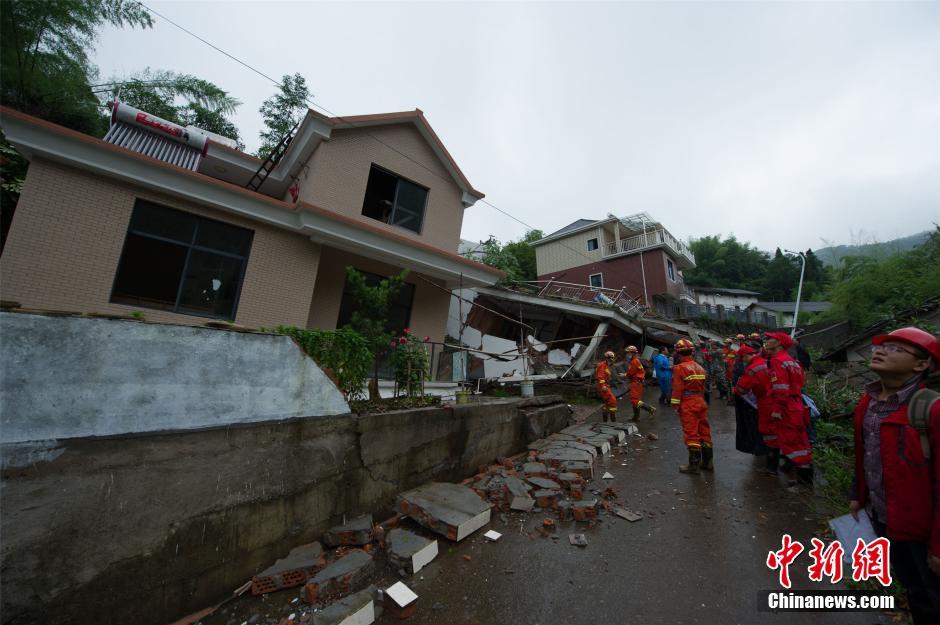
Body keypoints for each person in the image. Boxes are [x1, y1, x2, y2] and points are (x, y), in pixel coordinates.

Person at [849, 327, 940, 625]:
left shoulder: (932, 410)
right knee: (914, 590)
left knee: (932, 597)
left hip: (923, 532)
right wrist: (856, 495)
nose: (881, 351)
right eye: (882, 346)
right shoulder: (868, 403)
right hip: (885, 519)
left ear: (921, 364)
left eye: (895, 349)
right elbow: (864, 454)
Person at [763, 331, 813, 486]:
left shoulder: (778, 361)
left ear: (778, 343)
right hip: (796, 404)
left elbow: (781, 388)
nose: (766, 341)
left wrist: (777, 409)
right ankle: (804, 478)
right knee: (801, 442)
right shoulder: (792, 361)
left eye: (770, 339)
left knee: (793, 443)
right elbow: (798, 383)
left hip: (786, 406)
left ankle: (804, 482)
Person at [671, 338, 712, 474]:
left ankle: (694, 466)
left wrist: (675, 405)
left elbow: (677, 388)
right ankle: (707, 463)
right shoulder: (699, 367)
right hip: (700, 401)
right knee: (704, 432)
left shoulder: (679, 368)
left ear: (678, 353)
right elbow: (704, 386)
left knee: (691, 433)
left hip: (688, 402)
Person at [733, 344, 770, 457]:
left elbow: (742, 389)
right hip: (769, 398)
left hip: (760, 401)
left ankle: (761, 450)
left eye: (742, 358)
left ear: (745, 356)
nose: (743, 361)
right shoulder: (765, 362)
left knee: (757, 427)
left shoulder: (752, 368)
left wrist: (736, 389)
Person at [626, 345, 656, 421]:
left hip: (636, 382)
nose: (626, 355)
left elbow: (630, 373)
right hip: (637, 382)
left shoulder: (634, 361)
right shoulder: (636, 360)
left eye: (628, 353)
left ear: (631, 353)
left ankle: (650, 409)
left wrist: (625, 375)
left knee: (634, 400)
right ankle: (636, 417)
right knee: (636, 400)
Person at [595, 350, 620, 422]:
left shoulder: (606, 365)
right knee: (613, 401)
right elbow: (600, 376)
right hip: (603, 386)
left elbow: (606, 376)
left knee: (607, 403)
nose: (612, 361)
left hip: (606, 385)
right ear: (607, 358)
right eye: (611, 359)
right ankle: (613, 421)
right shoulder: (602, 365)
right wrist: (603, 386)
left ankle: (605, 421)